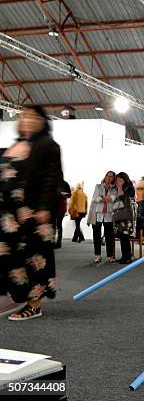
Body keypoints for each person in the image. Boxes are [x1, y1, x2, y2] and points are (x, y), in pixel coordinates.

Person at [0, 106, 62, 321]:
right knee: (10, 255)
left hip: (33, 213)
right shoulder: (16, 145)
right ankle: (16, 296)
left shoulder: (48, 146)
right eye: (23, 116)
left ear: (42, 121)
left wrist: (45, 207)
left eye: (32, 117)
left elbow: (52, 179)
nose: (26, 120)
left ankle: (34, 305)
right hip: (9, 215)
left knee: (34, 257)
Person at [87, 171, 117, 264]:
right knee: (96, 236)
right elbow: (95, 198)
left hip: (109, 215)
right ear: (105, 177)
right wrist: (105, 198)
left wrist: (104, 197)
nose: (109, 178)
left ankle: (110, 256)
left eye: (111, 177)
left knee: (109, 237)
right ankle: (97, 256)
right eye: (108, 176)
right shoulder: (98, 186)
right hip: (98, 214)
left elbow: (114, 198)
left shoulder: (114, 188)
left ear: (113, 179)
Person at [114, 172, 136, 264]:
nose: (118, 182)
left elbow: (124, 197)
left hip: (127, 215)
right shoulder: (120, 187)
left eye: (120, 180)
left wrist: (119, 187)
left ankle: (128, 257)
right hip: (121, 214)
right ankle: (124, 256)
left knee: (125, 236)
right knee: (122, 236)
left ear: (124, 179)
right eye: (117, 180)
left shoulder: (130, 187)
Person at [54, 179, 71, 248]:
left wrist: (62, 194)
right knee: (55, 225)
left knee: (58, 224)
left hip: (60, 206)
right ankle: (53, 241)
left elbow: (69, 194)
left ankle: (58, 242)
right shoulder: (53, 182)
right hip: (54, 206)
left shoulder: (65, 184)